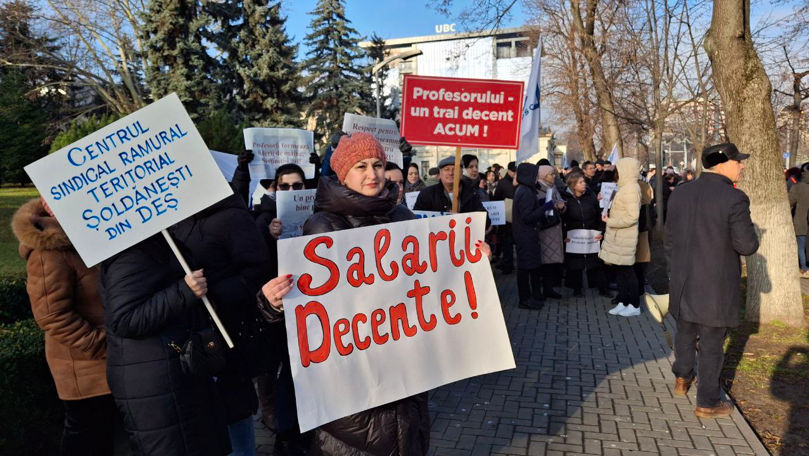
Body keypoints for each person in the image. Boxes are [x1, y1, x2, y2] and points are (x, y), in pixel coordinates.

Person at [259, 132, 447, 455]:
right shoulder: (323, 226)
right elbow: (307, 312)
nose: (372, 174)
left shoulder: (403, 217)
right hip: (351, 393)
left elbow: (432, 281)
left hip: (406, 375)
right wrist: (271, 303)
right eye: (360, 166)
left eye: (377, 164)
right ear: (343, 173)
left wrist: (469, 260)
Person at [99, 234, 231, 455]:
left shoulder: (154, 244)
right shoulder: (129, 255)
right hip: (156, 380)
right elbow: (125, 320)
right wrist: (184, 291)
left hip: (169, 371)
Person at [12, 197, 116, 456]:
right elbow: (51, 315)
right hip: (86, 369)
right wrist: (102, 344)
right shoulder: (49, 252)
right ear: (48, 206)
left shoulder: (95, 233)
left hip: (113, 361)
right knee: (88, 438)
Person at [665, 142, 759, 418]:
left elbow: (669, 240)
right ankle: (707, 401)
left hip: (683, 279)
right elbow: (747, 245)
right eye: (738, 161)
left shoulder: (680, 193)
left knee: (684, 330)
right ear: (722, 163)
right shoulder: (734, 198)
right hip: (715, 283)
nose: (742, 165)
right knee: (711, 343)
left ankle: (682, 378)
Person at [599, 157, 642, 317]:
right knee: (620, 271)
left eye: (618, 170)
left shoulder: (631, 188)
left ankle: (634, 304)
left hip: (625, 236)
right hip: (618, 236)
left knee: (627, 271)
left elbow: (632, 217)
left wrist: (611, 221)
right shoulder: (624, 187)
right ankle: (624, 301)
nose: (615, 173)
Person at [561, 173, 606, 297]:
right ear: (573, 185)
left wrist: (600, 231)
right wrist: (564, 235)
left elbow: (599, 215)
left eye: (584, 182)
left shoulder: (590, 197)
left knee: (596, 262)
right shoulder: (565, 198)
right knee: (575, 263)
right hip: (574, 237)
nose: (584, 184)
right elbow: (562, 219)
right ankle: (577, 288)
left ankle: (601, 287)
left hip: (592, 235)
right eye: (580, 182)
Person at [414, 156, 489, 226]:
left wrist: (461, 219)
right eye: (447, 169)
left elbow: (485, 221)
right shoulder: (427, 194)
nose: (451, 173)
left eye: (455, 169)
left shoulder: (471, 193)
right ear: (440, 173)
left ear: (461, 173)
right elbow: (416, 222)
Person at [537, 165, 565, 298]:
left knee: (550, 261)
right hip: (545, 229)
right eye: (551, 174)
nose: (554, 176)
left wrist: (562, 205)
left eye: (554, 174)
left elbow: (559, 201)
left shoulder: (552, 188)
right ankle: (544, 288)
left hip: (555, 227)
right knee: (544, 260)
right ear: (542, 175)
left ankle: (549, 288)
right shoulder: (537, 188)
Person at [492, 162, 517, 273]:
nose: (516, 173)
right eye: (514, 171)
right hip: (507, 216)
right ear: (510, 171)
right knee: (507, 242)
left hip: (510, 216)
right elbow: (496, 199)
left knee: (508, 242)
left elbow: (496, 198)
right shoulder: (504, 183)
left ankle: (507, 264)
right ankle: (507, 264)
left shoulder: (504, 182)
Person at [788, 163, 809, 276]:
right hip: (805, 221)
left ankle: (804, 268)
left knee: (800, 246)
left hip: (800, 221)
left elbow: (790, 202)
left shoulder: (798, 187)